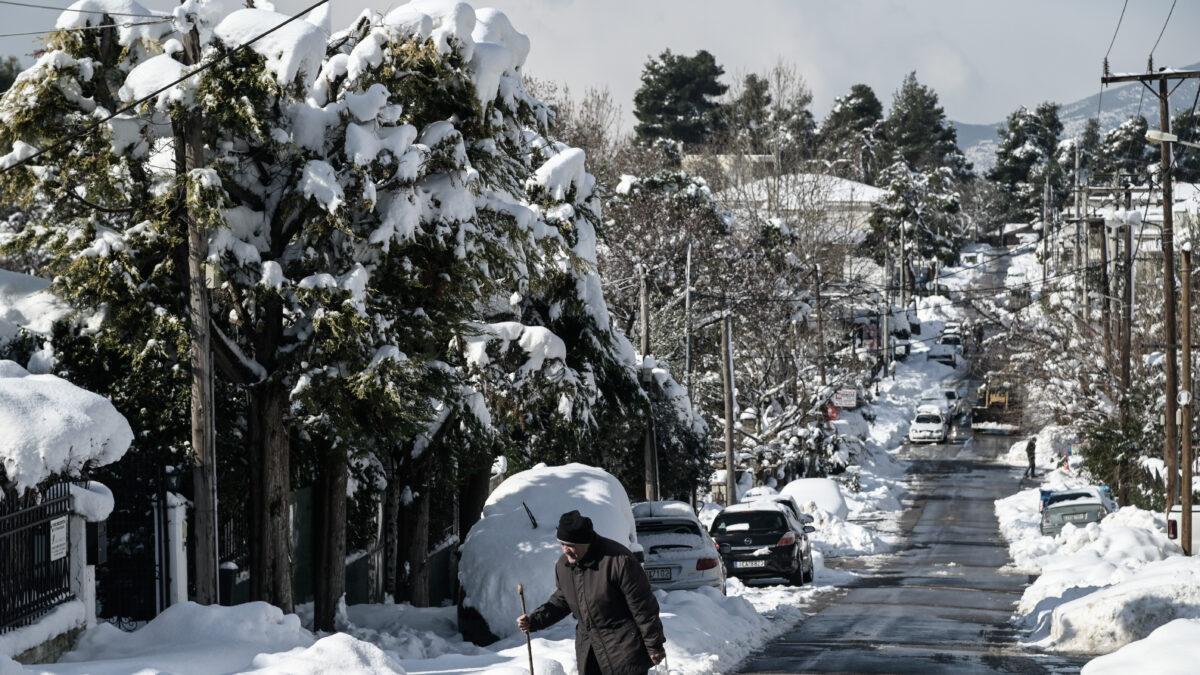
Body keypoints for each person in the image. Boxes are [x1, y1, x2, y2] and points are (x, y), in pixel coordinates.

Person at [517, 510, 666, 675]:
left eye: (570, 544)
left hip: (624, 650)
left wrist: (654, 645)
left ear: (585, 542)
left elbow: (643, 607)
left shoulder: (619, 561)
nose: (565, 550)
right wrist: (535, 620)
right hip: (589, 650)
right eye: (561, 544)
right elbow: (562, 600)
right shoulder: (564, 565)